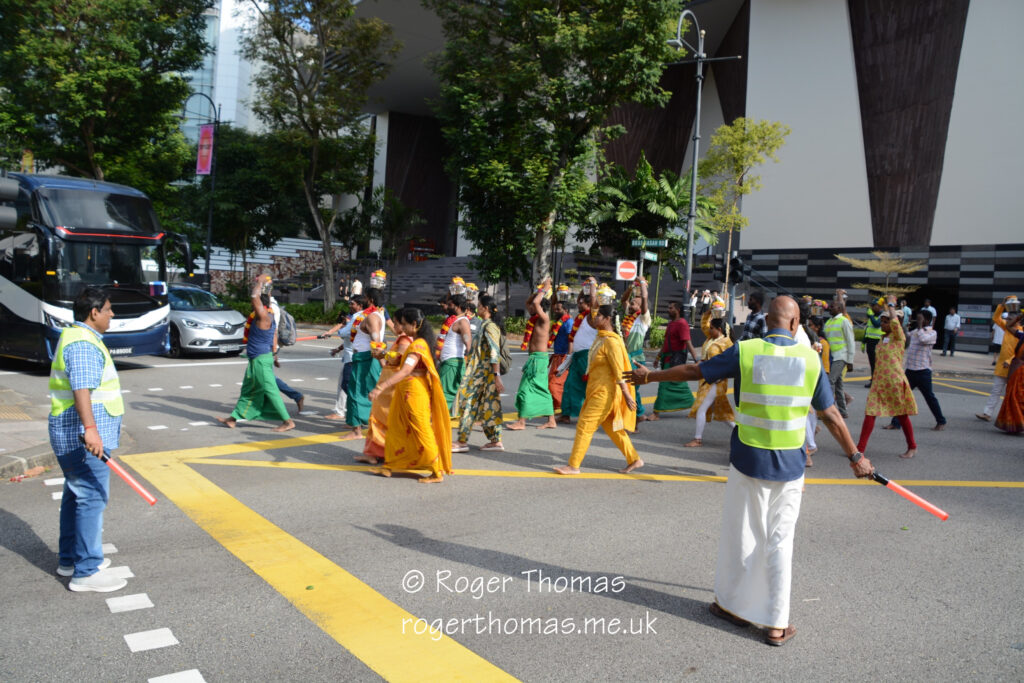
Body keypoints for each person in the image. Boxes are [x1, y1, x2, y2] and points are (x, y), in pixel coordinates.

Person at [626, 296, 874, 647]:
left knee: (741, 535)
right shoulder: (810, 359)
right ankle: (776, 625)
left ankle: (733, 608)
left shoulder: (746, 350)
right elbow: (831, 416)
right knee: (779, 540)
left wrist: (649, 375)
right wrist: (856, 457)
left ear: (769, 320)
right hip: (790, 466)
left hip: (747, 460)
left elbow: (697, 371)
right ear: (795, 323)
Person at [49, 288, 128, 592]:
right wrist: (91, 430)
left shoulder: (76, 337)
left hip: (73, 434)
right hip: (82, 438)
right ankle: (86, 570)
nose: (112, 315)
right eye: (109, 310)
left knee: (76, 495)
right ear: (93, 312)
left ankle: (70, 559)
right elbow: (82, 389)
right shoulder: (82, 343)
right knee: (91, 496)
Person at [554, 304, 642, 475]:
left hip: (605, 393)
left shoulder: (612, 341)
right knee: (613, 428)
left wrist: (627, 395)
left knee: (585, 425)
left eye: (599, 316)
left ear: (607, 319)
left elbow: (619, 370)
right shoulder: (601, 338)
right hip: (595, 390)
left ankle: (573, 465)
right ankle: (634, 459)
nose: (594, 319)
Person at [368, 308, 452, 483]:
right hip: (406, 392)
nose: (402, 328)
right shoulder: (415, 343)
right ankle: (390, 466)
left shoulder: (418, 345)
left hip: (414, 394)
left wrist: (380, 387)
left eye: (404, 324)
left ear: (414, 324)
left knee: (421, 431)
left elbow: (406, 370)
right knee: (397, 429)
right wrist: (383, 355)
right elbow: (400, 359)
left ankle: (436, 472)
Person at [218, 275, 295, 432]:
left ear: (261, 306)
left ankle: (288, 422)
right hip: (258, 359)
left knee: (270, 390)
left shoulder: (264, 317)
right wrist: (275, 355)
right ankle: (233, 419)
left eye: (257, 305)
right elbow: (273, 336)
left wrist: (260, 281)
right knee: (247, 389)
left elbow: (255, 297)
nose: (253, 305)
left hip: (260, 360)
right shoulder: (268, 315)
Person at [857, 300, 918, 458]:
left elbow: (896, 324)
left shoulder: (899, 337)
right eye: (882, 322)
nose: (883, 325)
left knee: (902, 415)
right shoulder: (882, 339)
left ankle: (912, 446)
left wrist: (891, 305)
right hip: (879, 383)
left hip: (895, 382)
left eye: (886, 322)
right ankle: (860, 449)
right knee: (870, 414)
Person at [454, 295, 505, 452]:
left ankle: (462, 441)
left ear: (486, 309)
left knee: (468, 402)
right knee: (488, 406)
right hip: (483, 374)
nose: (477, 308)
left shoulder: (490, 327)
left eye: (480, 306)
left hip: (484, 375)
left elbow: (494, 352)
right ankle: (495, 441)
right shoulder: (486, 324)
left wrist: (497, 377)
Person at [358, 328, 413, 464]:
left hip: (390, 384)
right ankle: (378, 452)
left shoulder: (405, 339)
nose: (393, 326)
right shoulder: (407, 338)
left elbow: (398, 358)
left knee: (379, 419)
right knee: (383, 419)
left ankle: (375, 453)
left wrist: (382, 353)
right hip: (391, 382)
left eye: (396, 322)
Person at [508, 280, 557, 430]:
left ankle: (521, 422)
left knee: (525, 389)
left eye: (535, 306)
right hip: (537, 359)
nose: (530, 307)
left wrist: (546, 288)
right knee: (542, 389)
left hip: (538, 359)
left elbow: (535, 303)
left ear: (541, 307)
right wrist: (538, 290)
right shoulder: (536, 318)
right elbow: (529, 301)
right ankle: (551, 420)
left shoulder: (544, 319)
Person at [892, 308, 946, 431]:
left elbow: (923, 340)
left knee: (929, 397)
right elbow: (904, 338)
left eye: (921, 318)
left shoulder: (932, 333)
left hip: (923, 371)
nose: (918, 321)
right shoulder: (916, 331)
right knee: (901, 397)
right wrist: (902, 325)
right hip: (910, 370)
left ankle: (941, 421)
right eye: (918, 318)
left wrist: (920, 326)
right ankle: (895, 423)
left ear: (927, 320)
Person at [686, 314, 735, 448]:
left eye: (712, 328)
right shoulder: (710, 339)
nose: (709, 330)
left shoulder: (727, 343)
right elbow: (703, 324)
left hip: (717, 381)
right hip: (707, 378)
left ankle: (697, 439)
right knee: (722, 413)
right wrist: (709, 312)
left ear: (719, 329)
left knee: (701, 408)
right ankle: (742, 433)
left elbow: (731, 363)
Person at [345, 288, 385, 437]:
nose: (363, 300)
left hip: (365, 359)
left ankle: (356, 430)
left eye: (366, 298)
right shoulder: (374, 315)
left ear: (371, 300)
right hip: (365, 358)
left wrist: (382, 364)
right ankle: (368, 423)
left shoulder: (372, 317)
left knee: (356, 393)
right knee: (367, 392)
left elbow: (376, 341)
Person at [559, 279, 599, 424]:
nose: (578, 303)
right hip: (577, 356)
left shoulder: (592, 316)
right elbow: (580, 299)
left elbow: (594, 301)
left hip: (587, 357)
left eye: (581, 302)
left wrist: (593, 286)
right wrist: (585, 287)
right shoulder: (581, 315)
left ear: (588, 305)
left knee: (590, 387)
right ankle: (566, 414)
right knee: (570, 384)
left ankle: (595, 414)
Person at [977, 297, 1023, 422]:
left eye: (1009, 319)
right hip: (1002, 366)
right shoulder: (1007, 329)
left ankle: (1011, 417)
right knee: (995, 391)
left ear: (1016, 320)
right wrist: (1002, 305)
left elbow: (1020, 353)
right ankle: (987, 413)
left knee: (1013, 394)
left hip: (1014, 367)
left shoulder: (1020, 333)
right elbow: (996, 318)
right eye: (1006, 319)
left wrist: (1010, 360)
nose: (1006, 321)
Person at [650, 301, 697, 419]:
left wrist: (697, 359)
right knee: (680, 385)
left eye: (671, 308)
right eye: (668, 307)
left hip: (675, 359)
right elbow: (666, 343)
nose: (668, 310)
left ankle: (656, 413)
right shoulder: (671, 324)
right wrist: (658, 357)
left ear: (678, 310)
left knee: (664, 384)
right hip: (666, 359)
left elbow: (688, 342)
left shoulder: (682, 324)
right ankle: (696, 407)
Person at [321, 300, 362, 422]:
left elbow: (345, 333)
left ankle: (344, 412)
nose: (350, 306)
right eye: (349, 303)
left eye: (353, 304)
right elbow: (349, 339)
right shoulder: (357, 318)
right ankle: (344, 411)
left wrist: (332, 332)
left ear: (360, 305)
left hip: (352, 358)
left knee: (346, 386)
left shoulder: (357, 319)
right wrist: (337, 349)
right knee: (344, 385)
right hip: (350, 357)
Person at [621, 278, 652, 422]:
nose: (630, 305)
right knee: (624, 386)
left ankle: (638, 415)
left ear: (640, 307)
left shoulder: (643, 318)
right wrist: (631, 287)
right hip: (624, 355)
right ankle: (633, 414)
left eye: (633, 303)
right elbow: (623, 299)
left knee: (633, 387)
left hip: (636, 357)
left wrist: (643, 284)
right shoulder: (629, 316)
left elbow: (644, 298)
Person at [438, 295, 473, 414]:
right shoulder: (454, 320)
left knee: (444, 395)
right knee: (443, 394)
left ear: (457, 307)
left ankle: (439, 424)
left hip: (453, 363)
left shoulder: (462, 322)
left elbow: (468, 343)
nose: (447, 307)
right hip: (448, 362)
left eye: (450, 305)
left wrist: (470, 363)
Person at [269, 295, 304, 413]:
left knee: (267, 378)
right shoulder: (270, 306)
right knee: (262, 378)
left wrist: (273, 352)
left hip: (268, 348)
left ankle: (295, 397)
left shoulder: (271, 308)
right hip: (268, 347)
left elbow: (273, 332)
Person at [823, 298, 855, 418]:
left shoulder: (844, 321)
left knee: (830, 381)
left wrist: (850, 361)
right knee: (838, 385)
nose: (830, 308)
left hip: (841, 356)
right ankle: (843, 411)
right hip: (832, 357)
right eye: (830, 306)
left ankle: (828, 411)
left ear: (840, 309)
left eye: (833, 306)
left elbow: (850, 341)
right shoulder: (829, 322)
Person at [994, 326, 1024, 435]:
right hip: (1016, 370)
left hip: (1020, 370)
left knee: (1018, 398)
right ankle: (1013, 424)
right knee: (1012, 396)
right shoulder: (1021, 335)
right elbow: (1008, 326)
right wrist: (1018, 316)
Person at [547, 297, 572, 413]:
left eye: (558, 309)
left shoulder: (569, 322)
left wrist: (568, 358)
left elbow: (571, 340)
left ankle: (562, 409)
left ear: (565, 310)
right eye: (555, 310)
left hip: (564, 357)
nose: (555, 311)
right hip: (557, 356)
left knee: (555, 384)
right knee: (550, 382)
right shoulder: (559, 322)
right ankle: (554, 409)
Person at [862, 297, 884, 387]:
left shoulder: (882, 315)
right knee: (872, 363)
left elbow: (876, 324)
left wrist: (870, 316)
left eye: (873, 306)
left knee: (876, 363)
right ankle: (873, 380)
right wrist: (863, 342)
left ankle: (875, 382)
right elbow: (868, 329)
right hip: (870, 342)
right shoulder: (872, 315)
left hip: (877, 342)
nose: (871, 308)